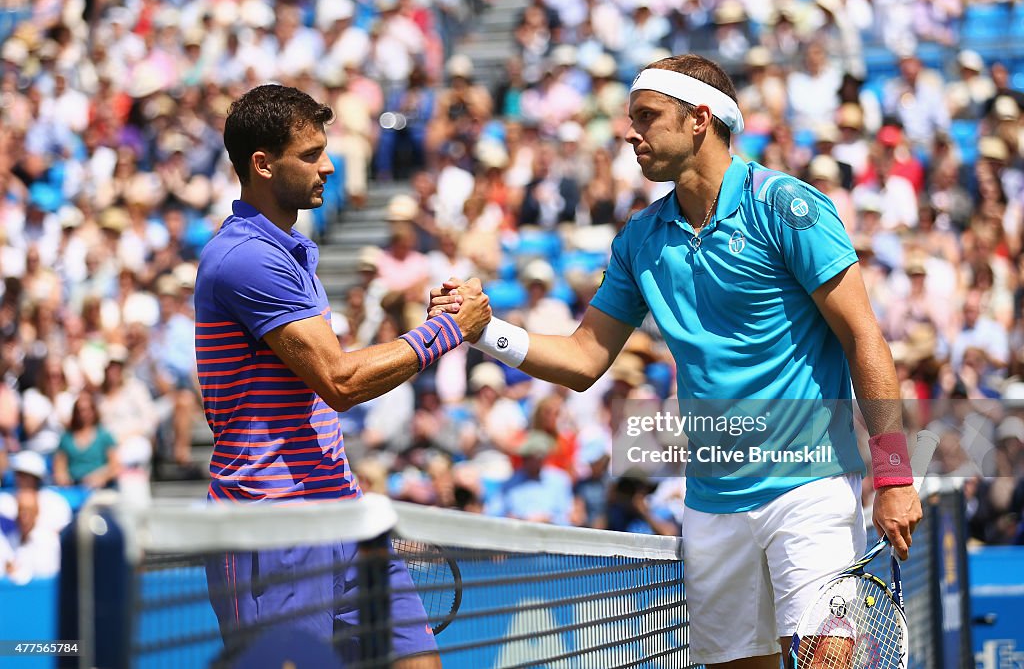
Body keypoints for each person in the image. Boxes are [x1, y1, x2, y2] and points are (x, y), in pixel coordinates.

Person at [431, 54, 923, 668]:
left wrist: (895, 474)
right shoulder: (639, 237)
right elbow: (585, 359)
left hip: (811, 491)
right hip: (712, 504)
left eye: (646, 117)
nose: (630, 132)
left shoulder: (787, 206)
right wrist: (485, 332)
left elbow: (864, 339)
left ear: (699, 119)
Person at [196, 84, 490, 668]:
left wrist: (433, 324)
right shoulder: (247, 257)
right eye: (310, 154)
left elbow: (326, 375)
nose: (329, 165)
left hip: (343, 513)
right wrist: (448, 331)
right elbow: (340, 380)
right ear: (261, 164)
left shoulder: (292, 250)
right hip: (274, 525)